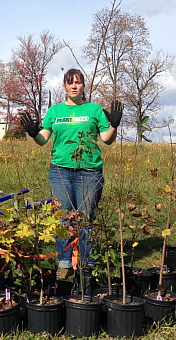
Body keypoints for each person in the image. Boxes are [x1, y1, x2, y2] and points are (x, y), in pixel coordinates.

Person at [20, 68, 122, 288]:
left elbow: (107, 140)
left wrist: (113, 125)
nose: (74, 86)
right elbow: (42, 139)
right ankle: (64, 263)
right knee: (63, 218)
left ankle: (87, 265)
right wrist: (32, 133)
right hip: (60, 171)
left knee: (86, 219)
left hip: (89, 171)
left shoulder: (94, 109)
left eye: (78, 82)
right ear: (64, 86)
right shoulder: (54, 112)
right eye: (70, 83)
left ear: (83, 86)